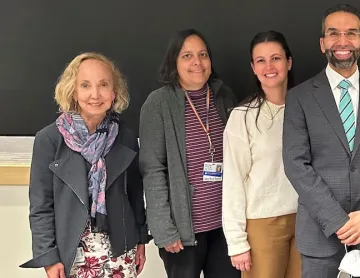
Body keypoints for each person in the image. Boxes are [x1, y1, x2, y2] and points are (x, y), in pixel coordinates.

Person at [282, 4, 360, 278]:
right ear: (322, 43)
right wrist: (337, 221)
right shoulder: (299, 98)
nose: (342, 41)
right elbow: (295, 164)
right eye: (333, 33)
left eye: (351, 33)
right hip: (321, 235)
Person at [20, 52, 148, 277]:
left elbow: (136, 195)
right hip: (72, 255)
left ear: (114, 92)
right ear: (73, 91)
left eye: (103, 85)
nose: (95, 94)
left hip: (120, 252)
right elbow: (41, 206)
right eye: (86, 85)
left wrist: (141, 239)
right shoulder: (49, 140)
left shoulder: (125, 137)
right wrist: (48, 257)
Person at [139, 29, 239, 278]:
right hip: (182, 234)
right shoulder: (158, 104)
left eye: (203, 54)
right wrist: (163, 229)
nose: (197, 62)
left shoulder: (224, 97)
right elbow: (153, 170)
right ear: (174, 62)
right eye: (187, 56)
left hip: (226, 229)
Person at [222, 30, 301, 278]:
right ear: (253, 68)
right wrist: (236, 242)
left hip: (307, 220)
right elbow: (233, 181)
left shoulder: (307, 110)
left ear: (288, 62)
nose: (269, 66)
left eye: (276, 58)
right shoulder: (242, 117)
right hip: (263, 225)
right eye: (261, 60)